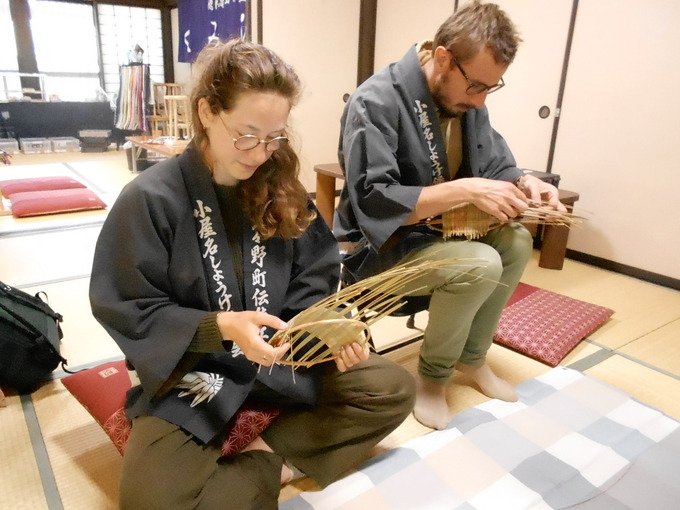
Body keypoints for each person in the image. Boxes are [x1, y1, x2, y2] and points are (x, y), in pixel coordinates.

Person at [90, 39, 415, 510]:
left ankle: (268, 455)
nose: (261, 153)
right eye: (246, 134)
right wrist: (221, 327)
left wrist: (329, 328)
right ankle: (277, 463)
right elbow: (127, 304)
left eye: (274, 137)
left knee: (392, 388)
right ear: (206, 112)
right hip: (198, 370)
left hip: (281, 357)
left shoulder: (279, 187)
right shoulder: (150, 199)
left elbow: (316, 277)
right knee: (148, 501)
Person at [335, 1, 565, 430]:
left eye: (489, 89)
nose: (479, 101)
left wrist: (525, 182)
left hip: (441, 238)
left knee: (515, 240)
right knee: (480, 264)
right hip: (383, 248)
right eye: (476, 86)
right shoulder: (378, 100)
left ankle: (471, 359)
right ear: (442, 58)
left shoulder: (466, 100)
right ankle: (433, 378)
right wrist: (464, 189)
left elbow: (494, 163)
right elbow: (373, 202)